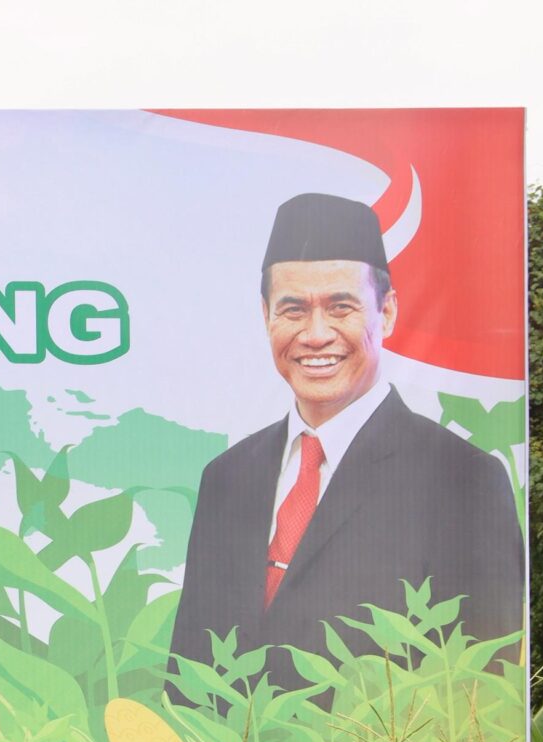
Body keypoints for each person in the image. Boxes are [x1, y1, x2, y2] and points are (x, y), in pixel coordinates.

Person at [168, 191, 524, 692]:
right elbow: (187, 674)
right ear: (266, 315)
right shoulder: (227, 477)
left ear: (388, 312)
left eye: (341, 307)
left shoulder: (462, 478)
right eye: (293, 309)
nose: (316, 335)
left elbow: (487, 684)